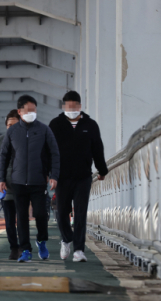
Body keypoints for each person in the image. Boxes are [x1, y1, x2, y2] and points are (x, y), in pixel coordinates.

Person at [0, 95, 60, 263]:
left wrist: (54, 175)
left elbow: (54, 153)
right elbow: (3, 156)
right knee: (22, 217)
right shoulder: (12, 131)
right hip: (18, 182)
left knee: (40, 214)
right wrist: (1, 179)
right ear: (20, 112)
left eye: (34, 110)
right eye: (28, 110)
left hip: (38, 180)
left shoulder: (44, 130)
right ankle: (25, 250)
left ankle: (42, 240)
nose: (32, 113)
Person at [49, 90, 108, 262]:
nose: (72, 109)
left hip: (83, 176)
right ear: (63, 107)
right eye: (69, 106)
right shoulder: (55, 124)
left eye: (75, 106)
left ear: (80, 107)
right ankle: (66, 239)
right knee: (61, 212)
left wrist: (102, 170)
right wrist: (49, 173)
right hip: (62, 177)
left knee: (81, 212)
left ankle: (79, 250)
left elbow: (98, 148)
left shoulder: (90, 125)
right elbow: (48, 151)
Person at [0, 109, 20, 260]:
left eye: (15, 125)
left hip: (23, 187)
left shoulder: (28, 141)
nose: (11, 128)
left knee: (22, 220)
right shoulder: (0, 142)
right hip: (6, 188)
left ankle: (25, 246)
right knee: (9, 221)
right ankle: (14, 247)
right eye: (9, 125)